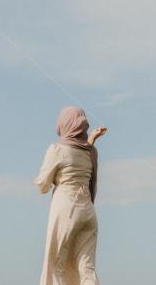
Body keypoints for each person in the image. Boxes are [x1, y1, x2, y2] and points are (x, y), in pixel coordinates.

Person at [34, 106, 107, 285]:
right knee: (87, 268)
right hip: (88, 212)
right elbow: (87, 161)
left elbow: (43, 185)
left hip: (66, 208)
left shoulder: (57, 150)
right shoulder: (91, 152)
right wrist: (91, 140)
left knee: (55, 265)